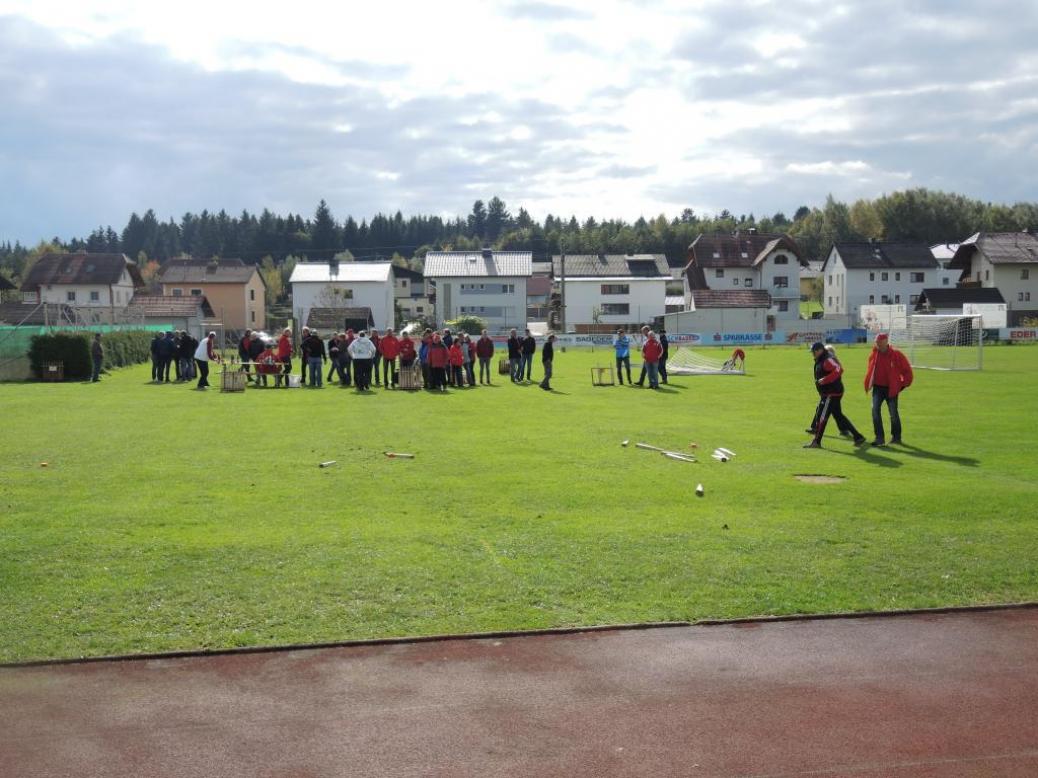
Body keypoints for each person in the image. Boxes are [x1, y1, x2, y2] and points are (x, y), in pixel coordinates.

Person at [805, 341, 866, 449]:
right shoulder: (822, 358)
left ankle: (816, 442)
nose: (812, 354)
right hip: (831, 392)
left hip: (831, 393)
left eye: (813, 352)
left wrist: (825, 380)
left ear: (819, 350)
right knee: (838, 416)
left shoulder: (827, 359)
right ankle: (858, 436)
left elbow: (839, 369)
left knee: (822, 417)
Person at [864, 332, 913, 446]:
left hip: (891, 389)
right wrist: (869, 383)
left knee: (893, 413)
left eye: (880, 342)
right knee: (875, 411)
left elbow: (907, 372)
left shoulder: (897, 354)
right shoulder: (874, 354)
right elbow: (870, 370)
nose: (878, 344)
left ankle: (896, 437)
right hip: (877, 388)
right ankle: (879, 438)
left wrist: (902, 385)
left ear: (886, 342)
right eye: (876, 342)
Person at [807, 345, 852, 438]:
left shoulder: (831, 362)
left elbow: (835, 376)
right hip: (829, 392)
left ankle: (815, 429)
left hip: (831, 392)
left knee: (823, 410)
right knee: (836, 412)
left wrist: (824, 381)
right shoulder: (827, 361)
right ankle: (844, 430)